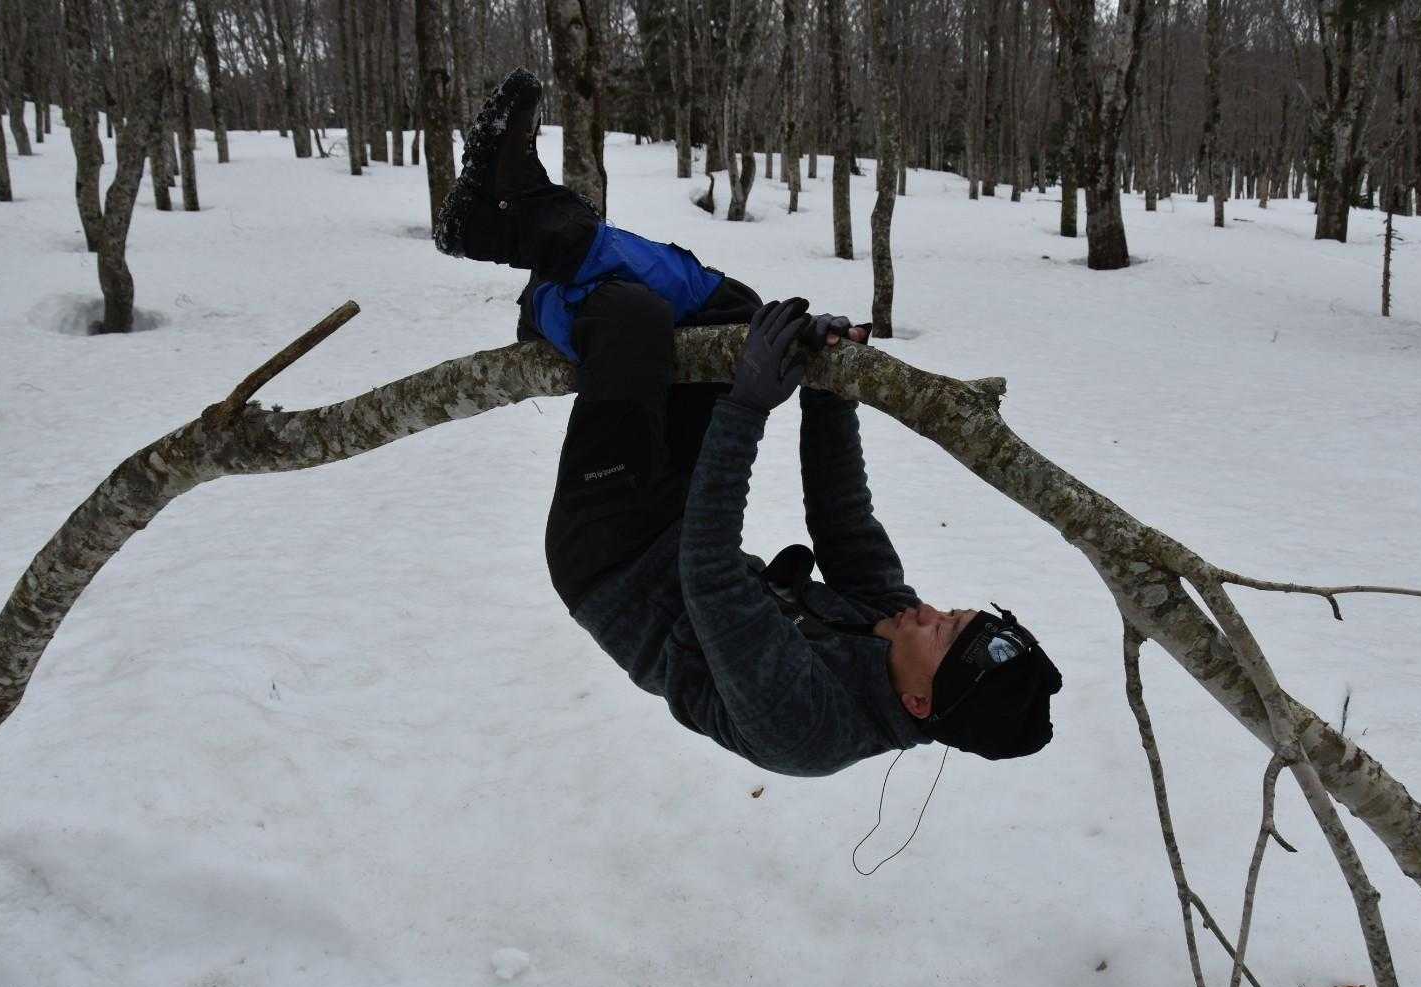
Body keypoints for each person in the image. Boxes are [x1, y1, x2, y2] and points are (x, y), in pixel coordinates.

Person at [435, 70, 1061, 777]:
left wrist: (748, 407)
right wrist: (831, 385)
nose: (929, 612)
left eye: (942, 633)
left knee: (632, 322)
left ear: (921, 703)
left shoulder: (808, 727)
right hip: (674, 517)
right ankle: (518, 237)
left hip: (608, 557)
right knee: (733, 315)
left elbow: (710, 578)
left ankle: (539, 279)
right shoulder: (898, 629)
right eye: (956, 613)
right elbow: (843, 518)